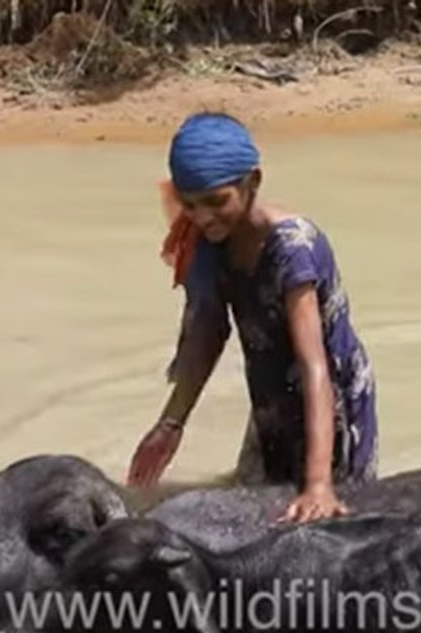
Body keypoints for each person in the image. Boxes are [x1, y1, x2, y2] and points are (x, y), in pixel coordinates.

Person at [125, 112, 378, 523]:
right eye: (190, 204)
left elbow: (314, 365)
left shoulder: (293, 249)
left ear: (253, 182)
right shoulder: (213, 243)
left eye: (216, 201)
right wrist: (171, 423)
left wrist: (319, 484)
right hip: (272, 394)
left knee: (328, 523)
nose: (203, 217)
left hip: (330, 401)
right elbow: (207, 336)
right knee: (258, 505)